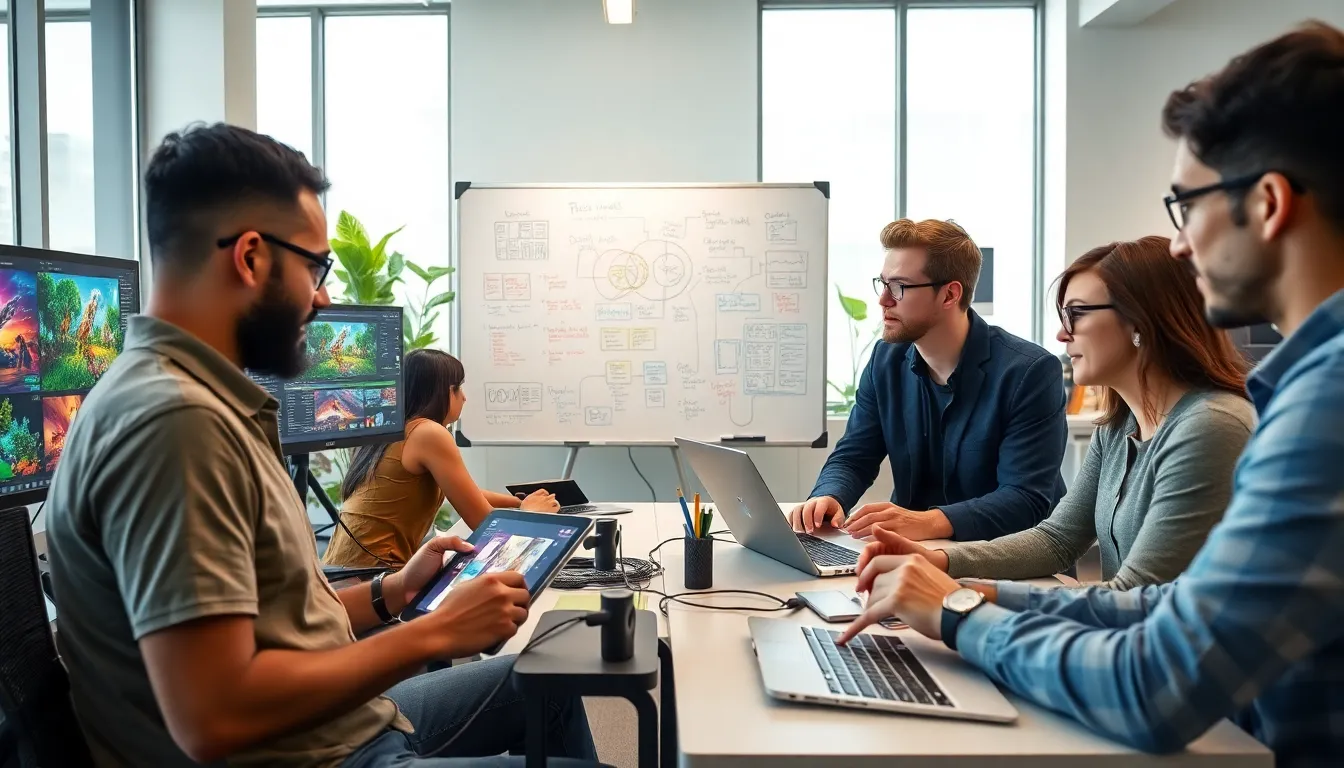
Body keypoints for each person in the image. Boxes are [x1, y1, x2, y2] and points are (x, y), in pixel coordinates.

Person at [841, 22, 1344, 765]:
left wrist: (954, 611)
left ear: (1268, 203)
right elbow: (1148, 595)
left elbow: (1154, 682)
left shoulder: (1311, 407)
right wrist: (955, 580)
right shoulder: (1283, 394)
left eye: (1188, 206)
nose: (1181, 244)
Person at [44, 123, 601, 767]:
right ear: (251, 257)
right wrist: (434, 633)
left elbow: (278, 622)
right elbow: (215, 716)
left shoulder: (194, 400)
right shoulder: (177, 424)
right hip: (319, 756)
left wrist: (394, 591)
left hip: (342, 726)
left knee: (550, 686)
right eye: (315, 266)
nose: (324, 296)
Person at [855, 235, 1254, 589]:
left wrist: (967, 599)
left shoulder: (1210, 427)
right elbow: (1057, 540)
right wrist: (938, 560)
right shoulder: (1119, 427)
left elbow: (1135, 594)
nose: (1062, 334)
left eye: (1076, 314)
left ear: (1142, 322)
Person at [791, 218, 1068, 543]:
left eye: (899, 287)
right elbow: (854, 456)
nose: (883, 300)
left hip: (1006, 559)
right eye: (883, 284)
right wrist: (829, 495)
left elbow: (1025, 499)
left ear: (949, 294)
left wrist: (927, 522)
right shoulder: (885, 361)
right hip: (912, 551)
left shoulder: (1029, 372)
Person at [323, 348, 560, 568]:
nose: (464, 398)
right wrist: (531, 513)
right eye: (458, 388)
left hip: (339, 570)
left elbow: (462, 491)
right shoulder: (428, 433)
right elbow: (486, 525)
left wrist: (519, 503)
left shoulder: (392, 428)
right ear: (442, 392)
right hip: (368, 575)